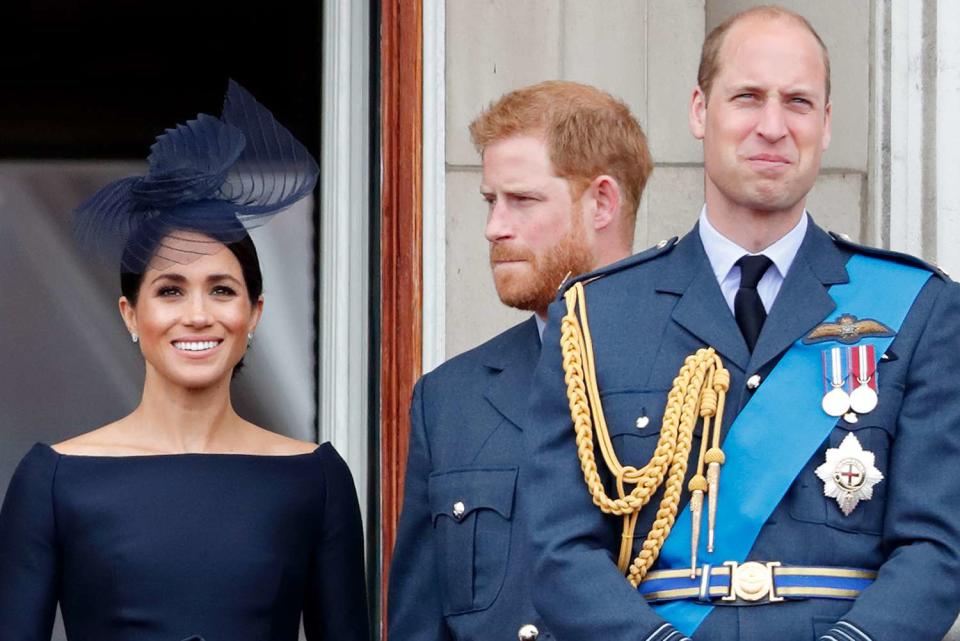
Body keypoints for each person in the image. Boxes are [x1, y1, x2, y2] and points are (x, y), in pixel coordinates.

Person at [522, 7, 960, 641]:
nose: (773, 126)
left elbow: (936, 549)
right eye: (748, 97)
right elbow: (558, 549)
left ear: (827, 123)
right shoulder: (596, 316)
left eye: (799, 102)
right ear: (701, 111)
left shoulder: (918, 308)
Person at [0, 81, 370, 641]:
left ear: (255, 312)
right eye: (170, 290)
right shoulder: (53, 478)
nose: (198, 315)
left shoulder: (315, 478)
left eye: (221, 290)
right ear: (130, 313)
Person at [387, 81, 653, 641]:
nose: (494, 228)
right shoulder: (450, 400)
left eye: (522, 200)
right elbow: (419, 623)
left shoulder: (705, 371)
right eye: (490, 201)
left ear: (602, 201)